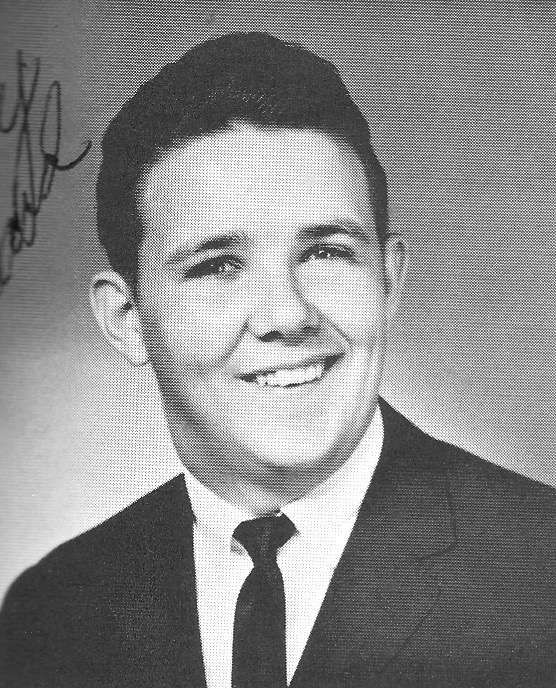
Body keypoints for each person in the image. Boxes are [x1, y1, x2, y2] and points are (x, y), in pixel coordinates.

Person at [1, 32, 555, 688]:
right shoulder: (53, 610)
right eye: (218, 266)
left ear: (388, 280)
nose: (287, 316)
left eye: (325, 252)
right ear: (127, 319)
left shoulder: (541, 573)